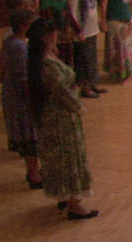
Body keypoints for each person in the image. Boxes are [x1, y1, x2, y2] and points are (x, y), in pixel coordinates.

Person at [26, 18, 98, 220]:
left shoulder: (44, 58)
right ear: (47, 37)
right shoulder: (46, 65)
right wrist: (79, 107)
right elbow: (62, 91)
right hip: (59, 120)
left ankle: (66, 197)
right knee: (67, 160)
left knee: (64, 159)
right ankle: (73, 205)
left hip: (59, 118)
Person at [0, 9, 41, 189]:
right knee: (29, 134)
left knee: (30, 133)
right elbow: (24, 78)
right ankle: (34, 175)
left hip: (13, 92)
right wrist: (34, 101)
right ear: (23, 26)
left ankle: (34, 170)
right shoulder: (18, 46)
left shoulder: (11, 42)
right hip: (20, 97)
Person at [65, 0, 105, 98]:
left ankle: (93, 84)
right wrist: (78, 31)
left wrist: (99, 22)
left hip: (92, 30)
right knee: (84, 61)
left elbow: (92, 8)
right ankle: (85, 87)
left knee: (92, 59)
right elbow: (71, 13)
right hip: (82, 32)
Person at [38, 0, 84, 67]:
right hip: (55, 36)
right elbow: (46, 20)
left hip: (67, 34)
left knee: (70, 62)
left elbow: (69, 14)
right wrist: (51, 42)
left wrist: (78, 30)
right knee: (59, 63)